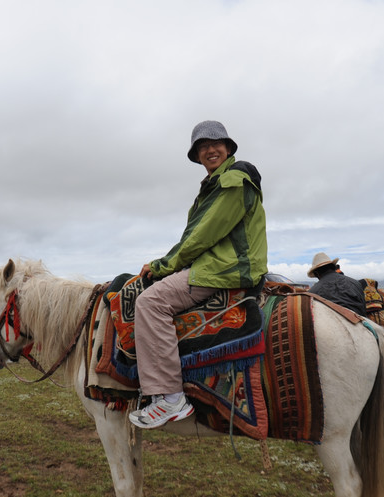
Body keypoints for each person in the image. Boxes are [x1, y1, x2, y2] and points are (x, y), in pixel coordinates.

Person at [128, 120, 268, 429]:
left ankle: (170, 397)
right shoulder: (213, 186)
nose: (209, 150)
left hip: (225, 268)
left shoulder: (233, 179)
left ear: (228, 148)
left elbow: (202, 236)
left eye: (215, 144)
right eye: (202, 147)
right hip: (217, 263)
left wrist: (163, 265)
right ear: (197, 156)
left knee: (150, 303)